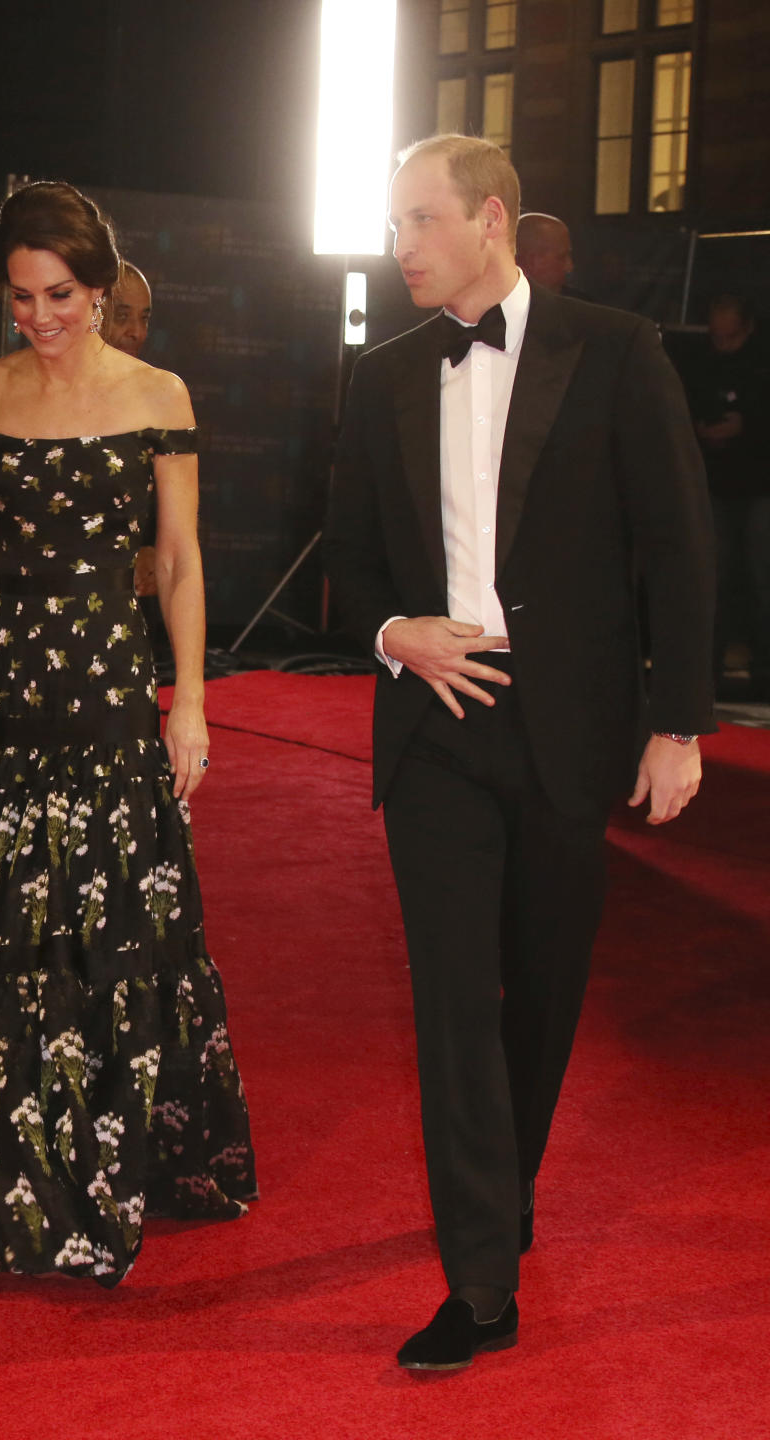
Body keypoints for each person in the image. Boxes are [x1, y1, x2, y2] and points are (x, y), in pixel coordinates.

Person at [323, 134, 714, 1371]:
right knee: (452, 1008)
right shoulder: (380, 376)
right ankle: (482, 1277)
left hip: (569, 730)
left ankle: (507, 1186)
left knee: (538, 998)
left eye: (415, 222)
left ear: (489, 219)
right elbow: (346, 566)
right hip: (433, 736)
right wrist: (399, 635)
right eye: (392, 227)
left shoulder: (615, 349)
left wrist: (680, 721)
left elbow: (679, 544)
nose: (399, 249)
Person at [0, 180, 256, 1285]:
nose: (41, 316)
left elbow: (176, 561)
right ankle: (0, 1143)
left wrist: (191, 701)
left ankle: (105, 1152)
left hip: (114, 694)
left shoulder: (158, 392)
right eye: (22, 296)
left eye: (62, 293)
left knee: (114, 930)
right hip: (15, 697)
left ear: (103, 283)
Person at [683, 294, 770, 698]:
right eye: (714, 310)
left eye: (726, 311)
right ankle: (707, 670)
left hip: (759, 485)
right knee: (710, 578)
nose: (718, 319)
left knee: (761, 578)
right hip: (711, 483)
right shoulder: (698, 359)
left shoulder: (760, 359)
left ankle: (764, 670)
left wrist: (745, 428)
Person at [107, 261, 157, 597]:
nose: (136, 332)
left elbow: (176, 522)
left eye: (144, 318)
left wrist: (152, 549)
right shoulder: (43, 401)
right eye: (122, 316)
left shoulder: (160, 401)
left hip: (128, 607)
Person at [515, 212, 589, 300]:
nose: (569, 267)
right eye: (561, 257)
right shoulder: (497, 306)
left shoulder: (580, 307)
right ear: (532, 261)